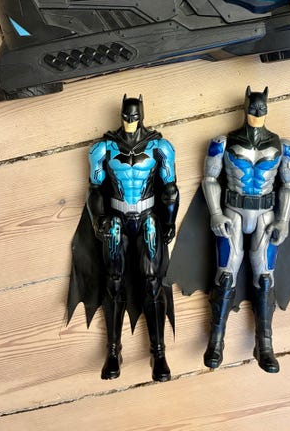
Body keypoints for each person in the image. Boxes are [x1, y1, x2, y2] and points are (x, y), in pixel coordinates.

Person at [67, 95, 179, 382]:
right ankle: (114, 351)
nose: (130, 122)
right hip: (116, 218)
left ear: (141, 115)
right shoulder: (104, 148)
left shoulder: (159, 147)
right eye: (126, 117)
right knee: (113, 281)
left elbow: (170, 189)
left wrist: (169, 220)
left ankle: (159, 353)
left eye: (134, 117)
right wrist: (98, 219)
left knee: (152, 281)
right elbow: (94, 189)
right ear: (121, 115)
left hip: (148, 218)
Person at [202, 86, 290, 373]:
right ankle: (215, 341)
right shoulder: (223, 142)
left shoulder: (284, 146)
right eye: (253, 107)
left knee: (265, 278)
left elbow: (289, 185)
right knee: (225, 274)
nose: (257, 112)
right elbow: (210, 179)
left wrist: (284, 219)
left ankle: (264, 345)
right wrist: (215, 212)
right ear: (245, 106)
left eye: (261, 108)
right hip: (232, 211)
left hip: (265, 214)